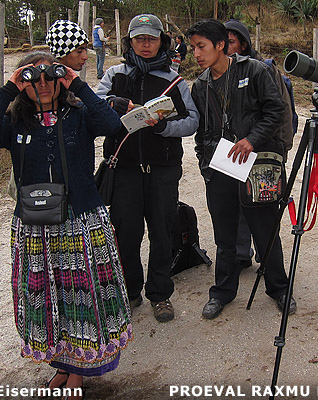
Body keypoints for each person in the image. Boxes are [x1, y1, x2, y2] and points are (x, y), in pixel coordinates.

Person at [0, 51, 131, 399]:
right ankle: (62, 364)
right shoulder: (15, 121)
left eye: (50, 77)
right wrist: (7, 90)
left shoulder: (79, 114)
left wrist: (76, 83)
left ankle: (78, 371)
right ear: (22, 84)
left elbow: (112, 125)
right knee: (50, 299)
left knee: (81, 297)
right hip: (35, 224)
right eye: (33, 78)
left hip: (80, 220)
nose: (42, 84)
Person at [186, 19, 296, 320]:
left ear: (221, 45)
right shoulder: (201, 84)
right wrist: (205, 164)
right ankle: (222, 291)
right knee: (224, 236)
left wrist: (252, 140)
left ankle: (279, 288)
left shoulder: (255, 71)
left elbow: (275, 112)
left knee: (265, 231)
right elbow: (203, 131)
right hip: (219, 168)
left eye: (201, 46)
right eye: (192, 48)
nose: (195, 53)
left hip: (255, 165)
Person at [96, 14, 199, 323]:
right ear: (130, 42)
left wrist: (162, 126)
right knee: (126, 235)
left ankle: (160, 295)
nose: (145, 44)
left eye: (151, 39)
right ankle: (129, 292)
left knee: (162, 231)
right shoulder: (114, 75)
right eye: (139, 39)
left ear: (161, 42)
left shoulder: (174, 80)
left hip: (163, 171)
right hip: (124, 171)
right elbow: (93, 110)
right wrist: (115, 103)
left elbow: (192, 121)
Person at [223, 18, 295, 269]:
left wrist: (283, 148)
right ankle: (242, 254)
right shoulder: (221, 71)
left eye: (230, 42)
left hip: (263, 151)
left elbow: (282, 111)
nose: (225, 47)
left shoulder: (262, 70)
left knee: (264, 205)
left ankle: (269, 260)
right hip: (233, 153)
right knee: (239, 204)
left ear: (243, 44)